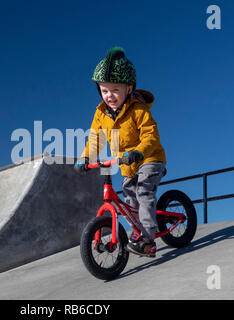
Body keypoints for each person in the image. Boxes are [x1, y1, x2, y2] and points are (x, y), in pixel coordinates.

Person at [75, 46, 167, 257]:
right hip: (126, 163)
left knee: (143, 192)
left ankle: (148, 240)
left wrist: (139, 152)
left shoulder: (138, 109)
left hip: (149, 157)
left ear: (129, 88)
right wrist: (86, 157)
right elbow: (95, 138)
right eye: (104, 90)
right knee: (129, 200)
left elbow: (151, 136)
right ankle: (138, 233)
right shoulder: (101, 113)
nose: (110, 96)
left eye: (115, 90)